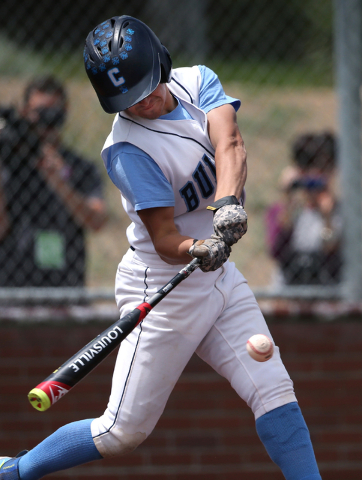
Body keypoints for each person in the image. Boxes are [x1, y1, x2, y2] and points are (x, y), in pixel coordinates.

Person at [0, 16, 322, 480]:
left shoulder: (197, 81)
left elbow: (230, 142)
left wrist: (227, 204)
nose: (143, 103)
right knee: (121, 432)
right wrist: (198, 247)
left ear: (162, 63)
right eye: (129, 98)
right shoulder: (127, 149)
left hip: (221, 276)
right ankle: (14, 471)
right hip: (163, 282)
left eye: (148, 88)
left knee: (274, 391)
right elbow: (165, 237)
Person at [0, 76, 107, 287]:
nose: (47, 120)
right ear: (25, 112)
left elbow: (96, 221)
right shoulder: (8, 165)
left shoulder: (80, 167)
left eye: (53, 112)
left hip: (65, 285)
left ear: (65, 111)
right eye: (40, 113)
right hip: (11, 287)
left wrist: (58, 180)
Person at [266, 132, 342, 286]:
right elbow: (277, 250)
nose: (314, 174)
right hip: (289, 294)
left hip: (327, 295)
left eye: (322, 168)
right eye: (307, 167)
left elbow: (333, 257)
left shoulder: (340, 212)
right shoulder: (281, 210)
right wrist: (288, 199)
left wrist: (327, 219)